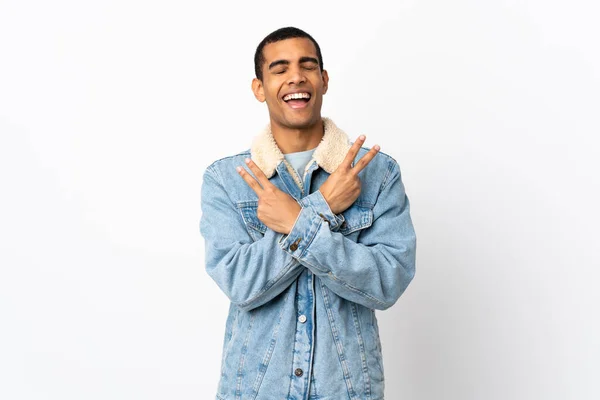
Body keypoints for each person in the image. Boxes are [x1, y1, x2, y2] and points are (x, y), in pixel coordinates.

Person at [199, 26, 416, 400]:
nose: (295, 76)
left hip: (345, 390)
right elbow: (242, 285)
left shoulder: (377, 173)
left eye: (307, 65)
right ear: (259, 87)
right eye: (279, 68)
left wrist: (298, 222)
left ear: (324, 80)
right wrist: (322, 207)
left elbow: (387, 282)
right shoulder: (227, 180)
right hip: (255, 390)